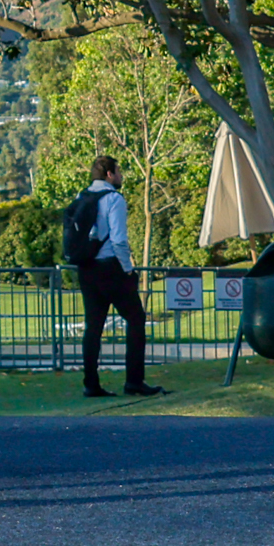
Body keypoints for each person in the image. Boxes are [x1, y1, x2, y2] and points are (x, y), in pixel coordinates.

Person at [72, 156, 165, 398]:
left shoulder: (82, 196)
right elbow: (119, 239)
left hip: (86, 267)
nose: (121, 175)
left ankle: (91, 383)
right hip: (110, 267)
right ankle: (134, 380)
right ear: (109, 174)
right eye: (118, 171)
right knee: (136, 319)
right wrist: (128, 269)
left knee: (93, 326)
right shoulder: (114, 199)